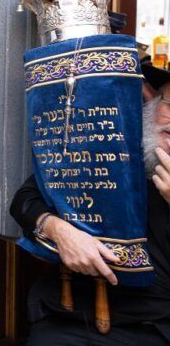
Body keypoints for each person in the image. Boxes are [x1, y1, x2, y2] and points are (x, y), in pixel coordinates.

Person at [10, 62, 170, 344]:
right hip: (77, 314)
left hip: (157, 325)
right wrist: (60, 231)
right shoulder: (110, 146)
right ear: (153, 104)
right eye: (169, 104)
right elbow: (24, 201)